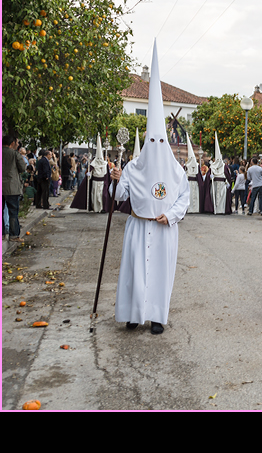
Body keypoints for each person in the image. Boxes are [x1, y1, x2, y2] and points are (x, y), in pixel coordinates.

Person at [110, 40, 190, 335]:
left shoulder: (176, 170)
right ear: (146, 142)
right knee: (134, 271)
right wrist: (116, 180)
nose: (156, 148)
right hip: (137, 225)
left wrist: (170, 216)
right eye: (151, 142)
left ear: (165, 143)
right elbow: (119, 198)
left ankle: (157, 316)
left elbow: (184, 198)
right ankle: (133, 314)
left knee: (158, 273)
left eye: (161, 142)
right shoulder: (133, 167)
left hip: (163, 229)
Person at [2, 135, 28, 242]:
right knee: (13, 211)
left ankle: (2, 234)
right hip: (12, 187)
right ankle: (14, 235)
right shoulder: (15, 154)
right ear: (12, 143)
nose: (17, 145)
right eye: (17, 143)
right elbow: (22, 168)